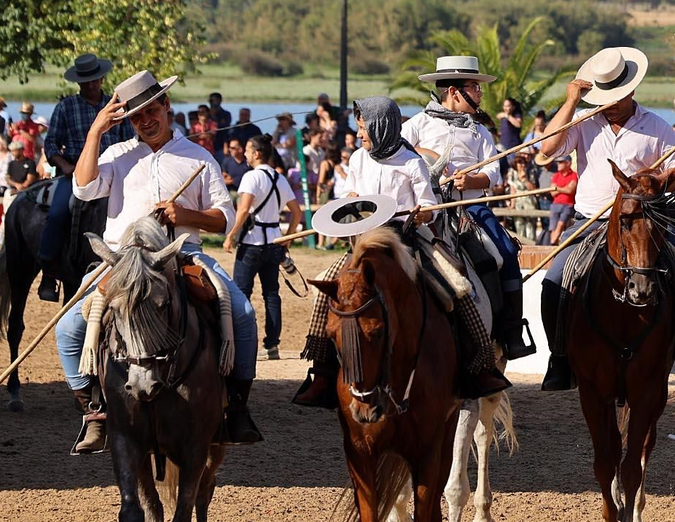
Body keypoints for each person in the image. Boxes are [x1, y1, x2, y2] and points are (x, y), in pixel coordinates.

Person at [54, 70, 263, 454]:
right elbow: (83, 189)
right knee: (67, 329)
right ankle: (95, 412)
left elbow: (224, 218)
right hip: (122, 259)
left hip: (183, 253)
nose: (146, 121)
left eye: (151, 110)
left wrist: (184, 214)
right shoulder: (116, 155)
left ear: (166, 106)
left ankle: (236, 408)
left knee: (244, 313)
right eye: (136, 117)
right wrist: (95, 132)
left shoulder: (198, 158)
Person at [295, 94, 510, 406]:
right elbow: (347, 194)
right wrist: (350, 198)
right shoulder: (357, 159)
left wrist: (424, 212)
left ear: (382, 126)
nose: (358, 134)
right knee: (326, 287)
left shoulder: (411, 162)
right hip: (365, 242)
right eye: (358, 128)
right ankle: (322, 371)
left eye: (363, 128)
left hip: (407, 240)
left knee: (457, 286)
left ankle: (479, 365)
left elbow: (431, 205)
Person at [536, 47, 675, 393]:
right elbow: (546, 150)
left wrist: (662, 179)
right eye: (606, 98)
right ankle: (559, 357)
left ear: (632, 90)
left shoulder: (657, 127)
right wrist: (572, 102)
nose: (612, 104)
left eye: (618, 97)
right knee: (554, 280)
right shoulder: (583, 123)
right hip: (592, 221)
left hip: (647, 222)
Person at [402, 54, 536, 360]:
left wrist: (472, 180)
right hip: (426, 210)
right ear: (453, 92)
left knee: (505, 253)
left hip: (471, 211)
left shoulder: (480, 131)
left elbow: (494, 175)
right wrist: (425, 154)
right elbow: (396, 152)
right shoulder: (417, 124)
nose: (480, 93)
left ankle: (511, 331)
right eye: (474, 87)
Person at [39, 54, 135, 302]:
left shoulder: (116, 108)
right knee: (59, 211)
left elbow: (129, 140)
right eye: (86, 82)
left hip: (113, 171)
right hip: (75, 172)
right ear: (79, 83)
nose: (91, 85)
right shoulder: (65, 107)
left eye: (95, 80)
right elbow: (51, 144)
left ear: (102, 79)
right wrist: (66, 166)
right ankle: (49, 270)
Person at [224, 134, 303, 362]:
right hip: (274, 243)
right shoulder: (280, 178)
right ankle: (272, 346)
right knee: (271, 295)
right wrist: (287, 239)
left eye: (248, 150)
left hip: (251, 243)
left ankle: (242, 342)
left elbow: (243, 210)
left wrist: (231, 235)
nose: (245, 154)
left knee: (241, 294)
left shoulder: (251, 177)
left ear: (257, 153)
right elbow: (296, 213)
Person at [548, 154, 577, 242]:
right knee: (553, 227)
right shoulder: (556, 175)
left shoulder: (574, 175)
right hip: (555, 204)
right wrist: (565, 188)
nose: (558, 164)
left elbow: (570, 191)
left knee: (560, 225)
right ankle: (553, 245)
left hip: (568, 205)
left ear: (568, 163)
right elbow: (552, 193)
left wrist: (558, 188)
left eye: (560, 162)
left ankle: (553, 244)